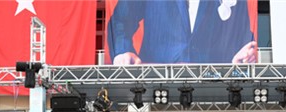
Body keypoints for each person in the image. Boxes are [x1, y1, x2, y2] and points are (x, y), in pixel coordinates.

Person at [107, 0, 256, 64]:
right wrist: (123, 51)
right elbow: (120, 21)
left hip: (212, 87)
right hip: (155, 86)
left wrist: (245, 54)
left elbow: (241, 33)